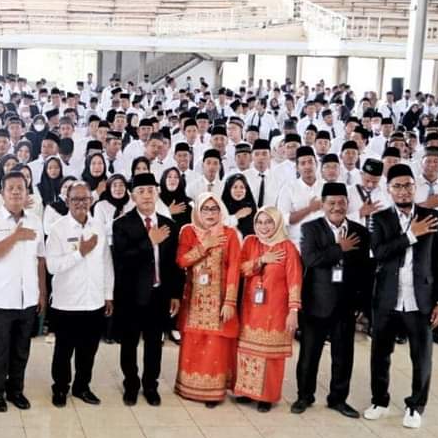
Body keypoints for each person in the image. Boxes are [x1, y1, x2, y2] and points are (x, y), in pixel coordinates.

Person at [364, 163, 438, 429]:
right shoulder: (380, 219)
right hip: (387, 298)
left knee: (421, 356)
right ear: (389, 190)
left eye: (408, 185)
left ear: (415, 187)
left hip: (420, 299)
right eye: (397, 186)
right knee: (380, 354)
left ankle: (415, 406)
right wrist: (412, 235)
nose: (403, 191)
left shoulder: (432, 216)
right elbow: (378, 253)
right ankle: (380, 401)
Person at [295, 182, 369, 419]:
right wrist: (339, 248)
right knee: (309, 354)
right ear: (323, 205)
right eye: (332, 203)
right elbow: (311, 259)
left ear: (348, 204)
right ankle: (304, 396)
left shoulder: (360, 231)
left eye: (341, 202)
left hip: (346, 304)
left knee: (343, 356)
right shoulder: (310, 228)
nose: (337, 207)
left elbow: (365, 269)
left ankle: (338, 399)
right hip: (316, 302)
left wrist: (362, 303)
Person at [0, 170, 47, 412]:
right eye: (11, 188)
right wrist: (15, 237)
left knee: (21, 350)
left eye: (21, 188)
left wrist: (41, 292)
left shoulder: (35, 221)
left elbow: (40, 259)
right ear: (2, 194)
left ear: (27, 193)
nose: (16, 192)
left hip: (28, 298)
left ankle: (16, 390)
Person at [113, 172, 183, 406]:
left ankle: (150, 385)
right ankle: (131, 384)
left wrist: (175, 293)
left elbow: (174, 264)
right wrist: (149, 242)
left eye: (150, 191)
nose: (146, 195)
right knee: (129, 343)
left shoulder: (169, 225)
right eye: (141, 191)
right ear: (132, 196)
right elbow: (122, 260)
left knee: (154, 343)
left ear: (157, 193)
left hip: (158, 294)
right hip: (131, 295)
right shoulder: (122, 224)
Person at [45, 181, 113, 407]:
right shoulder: (58, 229)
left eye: (85, 199)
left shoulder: (98, 227)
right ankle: (60, 388)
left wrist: (108, 294)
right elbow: (52, 266)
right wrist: (79, 253)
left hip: (94, 301)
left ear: (91, 201)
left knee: (88, 350)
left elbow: (106, 262)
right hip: (66, 302)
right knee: (63, 350)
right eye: (75, 199)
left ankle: (82, 387)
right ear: (67, 201)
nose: (80, 203)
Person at [174, 192, 241, 407]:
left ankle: (212, 392)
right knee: (193, 343)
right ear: (198, 211)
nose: (210, 213)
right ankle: (189, 387)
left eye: (214, 209)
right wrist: (205, 245)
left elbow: (234, 269)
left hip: (219, 302)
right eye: (205, 209)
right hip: (194, 300)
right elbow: (182, 261)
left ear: (221, 211)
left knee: (215, 347)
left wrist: (229, 302)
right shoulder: (188, 231)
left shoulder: (230, 234)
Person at [234, 206, 301, 412]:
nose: (264, 227)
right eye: (260, 222)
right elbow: (241, 269)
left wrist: (293, 311)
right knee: (248, 350)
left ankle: (267, 396)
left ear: (277, 223)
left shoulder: (288, 247)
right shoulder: (250, 242)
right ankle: (247, 391)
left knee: (270, 355)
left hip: (276, 310)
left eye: (269, 222)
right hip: (251, 308)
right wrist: (261, 260)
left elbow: (294, 281)